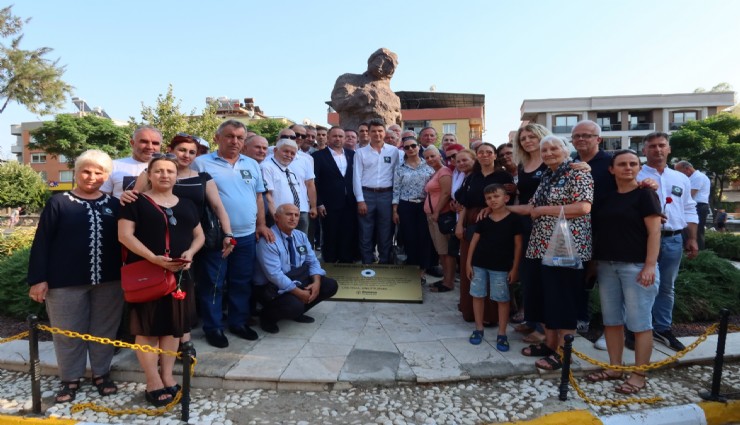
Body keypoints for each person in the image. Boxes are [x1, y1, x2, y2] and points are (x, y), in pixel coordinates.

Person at [120, 133, 234, 355]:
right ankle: (162, 342)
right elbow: (135, 198)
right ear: (171, 150)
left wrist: (228, 233)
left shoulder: (202, 177)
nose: (186, 155)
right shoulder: (152, 172)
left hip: (197, 240)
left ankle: (192, 336)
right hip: (159, 244)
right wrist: (125, 196)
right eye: (182, 150)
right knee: (162, 290)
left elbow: (218, 207)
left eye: (192, 152)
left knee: (196, 288)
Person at [28, 150, 122, 404]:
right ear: (76, 172)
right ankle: (70, 378)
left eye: (98, 172)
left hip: (109, 281)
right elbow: (42, 241)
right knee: (67, 332)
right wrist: (38, 279)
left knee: (104, 331)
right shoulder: (59, 203)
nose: (91, 177)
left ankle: (101, 374)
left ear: (106, 176)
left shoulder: (115, 205)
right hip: (64, 282)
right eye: (86, 171)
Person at [118, 154, 204, 406]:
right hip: (148, 274)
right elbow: (125, 235)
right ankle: (152, 380)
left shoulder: (187, 204)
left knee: (173, 327)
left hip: (179, 275)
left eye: (170, 171)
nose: (165, 175)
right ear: (149, 174)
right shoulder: (134, 201)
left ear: (177, 176)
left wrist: (191, 252)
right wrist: (153, 259)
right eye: (159, 171)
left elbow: (198, 235)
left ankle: (167, 375)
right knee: (147, 329)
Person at [509, 135, 593, 371]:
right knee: (545, 297)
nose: (548, 153)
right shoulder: (548, 175)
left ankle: (563, 354)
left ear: (566, 150)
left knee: (562, 299)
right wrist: (502, 208)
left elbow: (583, 207)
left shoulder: (578, 173)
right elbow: (531, 207)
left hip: (566, 249)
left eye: (554, 148)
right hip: (541, 246)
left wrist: (544, 210)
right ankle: (550, 343)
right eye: (544, 150)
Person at [193, 120, 274, 348]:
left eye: (240, 137)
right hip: (217, 237)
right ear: (217, 138)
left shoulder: (252, 164)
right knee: (214, 282)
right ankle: (213, 327)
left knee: (241, 281)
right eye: (229, 136)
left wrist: (261, 224)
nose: (234, 141)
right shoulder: (201, 163)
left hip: (246, 235)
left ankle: (238, 322)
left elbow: (258, 196)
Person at [587, 149, 661, 395]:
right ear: (612, 169)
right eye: (622, 164)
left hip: (636, 267)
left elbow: (654, 232)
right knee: (611, 321)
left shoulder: (646, 194)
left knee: (640, 324)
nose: (628, 168)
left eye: (633, 163)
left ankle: (639, 375)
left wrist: (650, 265)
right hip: (607, 265)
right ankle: (615, 367)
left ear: (639, 168)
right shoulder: (606, 198)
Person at [637, 132, 698, 351]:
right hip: (643, 240)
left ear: (669, 149)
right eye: (652, 146)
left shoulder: (681, 178)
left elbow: (689, 207)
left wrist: (692, 237)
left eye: (661, 145)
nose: (657, 149)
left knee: (666, 287)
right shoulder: (636, 174)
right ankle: (636, 329)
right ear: (644, 150)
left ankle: (662, 328)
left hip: (673, 239)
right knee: (639, 285)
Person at [253, 204, 339, 333]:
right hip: (272, 287)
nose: (293, 218)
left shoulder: (300, 236)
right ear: (276, 217)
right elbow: (274, 275)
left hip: (295, 278)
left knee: (330, 285)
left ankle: (297, 312)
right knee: (294, 305)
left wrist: (316, 283)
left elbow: (312, 261)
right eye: (288, 214)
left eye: (296, 215)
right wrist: (299, 293)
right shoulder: (268, 239)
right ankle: (267, 317)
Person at [454, 143, 514, 324]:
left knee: (493, 265)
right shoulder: (472, 177)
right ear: (477, 156)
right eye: (481, 152)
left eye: (489, 152)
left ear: (495, 155)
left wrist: (491, 208)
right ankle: (471, 311)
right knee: (470, 264)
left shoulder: (504, 176)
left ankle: (491, 315)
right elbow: (464, 203)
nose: (485, 155)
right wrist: (459, 225)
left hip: (496, 223)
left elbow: (509, 201)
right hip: (471, 222)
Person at [466, 184, 522, 351]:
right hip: (479, 264)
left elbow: (518, 246)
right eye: (489, 198)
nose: (493, 200)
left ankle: (502, 333)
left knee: (502, 299)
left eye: (496, 196)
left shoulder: (514, 220)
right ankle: (478, 328)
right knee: (477, 295)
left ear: (506, 198)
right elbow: (474, 241)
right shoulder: (484, 219)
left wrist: (515, 268)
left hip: (501, 267)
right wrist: (468, 263)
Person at [510, 124, 551, 343]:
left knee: (543, 277)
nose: (527, 141)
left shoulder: (550, 161)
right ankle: (532, 319)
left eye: (531, 136)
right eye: (523, 138)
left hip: (546, 224)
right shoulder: (523, 164)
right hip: (525, 223)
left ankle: (543, 329)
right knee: (528, 275)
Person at [353, 119, 400, 264]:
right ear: (368, 133)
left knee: (386, 231)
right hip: (367, 195)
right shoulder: (360, 152)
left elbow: (397, 175)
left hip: (387, 195)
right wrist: (360, 200)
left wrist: (395, 200)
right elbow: (356, 177)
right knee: (365, 231)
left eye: (380, 131)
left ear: (384, 132)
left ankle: (384, 262)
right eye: (373, 131)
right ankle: (367, 262)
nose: (377, 134)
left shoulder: (394, 151)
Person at [312, 127, 358, 263]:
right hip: (328, 204)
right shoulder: (317, 157)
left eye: (340, 136)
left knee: (348, 233)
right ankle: (330, 263)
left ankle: (346, 261)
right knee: (330, 234)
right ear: (328, 137)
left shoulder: (352, 155)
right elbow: (314, 182)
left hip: (349, 202)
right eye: (334, 136)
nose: (338, 139)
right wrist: (319, 203)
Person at [392, 137, 435, 282]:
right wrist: (395, 211)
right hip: (406, 205)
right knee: (409, 237)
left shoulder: (428, 166)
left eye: (413, 146)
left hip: (424, 206)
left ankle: (422, 270)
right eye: (406, 147)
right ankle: (412, 269)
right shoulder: (400, 168)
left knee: (424, 238)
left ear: (418, 147)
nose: (410, 149)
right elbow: (396, 190)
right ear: (403, 150)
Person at [331, 48, 402, 131]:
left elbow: (397, 120)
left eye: (388, 63)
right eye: (379, 59)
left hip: (385, 136)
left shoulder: (393, 96)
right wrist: (359, 99)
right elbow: (338, 102)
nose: (381, 64)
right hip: (355, 134)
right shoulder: (349, 80)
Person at [261, 138, 317, 233]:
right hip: (280, 217)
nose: (289, 155)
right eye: (286, 151)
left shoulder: (288, 169)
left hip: (296, 214)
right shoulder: (266, 167)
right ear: (275, 150)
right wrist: (276, 217)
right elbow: (267, 196)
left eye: (292, 153)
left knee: (299, 240)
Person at [423, 146, 455, 291]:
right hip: (433, 216)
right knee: (441, 251)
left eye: (432, 156)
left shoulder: (444, 172)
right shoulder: (435, 173)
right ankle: (445, 279)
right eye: (427, 157)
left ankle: (449, 282)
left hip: (440, 216)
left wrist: (436, 212)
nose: (429, 159)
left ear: (440, 156)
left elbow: (446, 193)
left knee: (446, 251)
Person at [101, 126, 163, 198]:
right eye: (144, 142)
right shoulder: (112, 166)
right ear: (132, 143)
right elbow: (103, 197)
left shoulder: (168, 169)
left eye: (155, 143)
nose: (150, 147)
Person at [674, 160, 711, 250]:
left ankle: (699, 252)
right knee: (687, 230)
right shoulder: (692, 177)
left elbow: (690, 195)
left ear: (687, 169)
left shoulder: (698, 177)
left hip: (699, 206)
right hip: (693, 205)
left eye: (680, 172)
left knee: (697, 230)